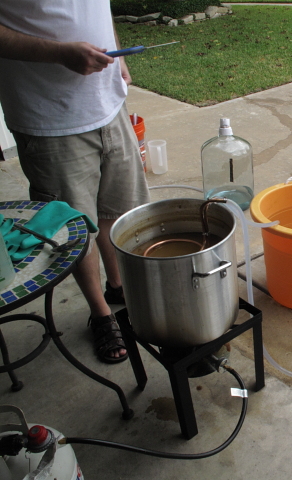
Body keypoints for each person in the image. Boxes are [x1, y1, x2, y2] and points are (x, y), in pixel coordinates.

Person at [0, 2, 150, 363]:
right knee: (77, 231)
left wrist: (118, 51)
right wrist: (59, 54)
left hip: (108, 105)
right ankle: (101, 315)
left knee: (120, 211)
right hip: (49, 118)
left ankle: (119, 289)